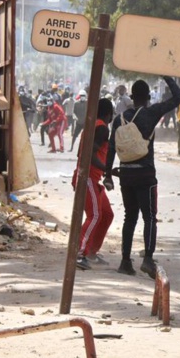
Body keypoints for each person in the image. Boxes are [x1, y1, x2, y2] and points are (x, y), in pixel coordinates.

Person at [105, 76, 180, 278]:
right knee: (149, 217)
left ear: (131, 97)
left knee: (129, 218)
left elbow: (111, 149)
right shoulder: (150, 113)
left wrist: (108, 175)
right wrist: (167, 77)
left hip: (126, 175)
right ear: (148, 97)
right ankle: (147, 259)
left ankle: (125, 261)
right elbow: (178, 97)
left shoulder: (118, 120)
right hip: (146, 175)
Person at [73, 98, 115, 270]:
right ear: (108, 114)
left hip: (92, 178)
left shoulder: (91, 126)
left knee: (106, 214)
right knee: (95, 215)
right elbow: (88, 154)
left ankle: (91, 252)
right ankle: (79, 253)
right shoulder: (102, 128)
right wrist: (108, 169)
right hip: (88, 177)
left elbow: (80, 152)